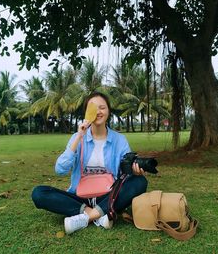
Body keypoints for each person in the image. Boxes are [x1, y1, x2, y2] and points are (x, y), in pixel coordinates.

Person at [32, 92, 148, 234]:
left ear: (108, 111)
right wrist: (79, 136)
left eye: (102, 107)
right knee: (39, 193)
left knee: (140, 181)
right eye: (93, 108)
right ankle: (98, 215)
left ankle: (85, 218)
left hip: (109, 195)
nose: (98, 111)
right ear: (86, 112)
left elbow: (125, 170)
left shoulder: (119, 140)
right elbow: (60, 169)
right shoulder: (77, 137)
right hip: (80, 197)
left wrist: (134, 171)